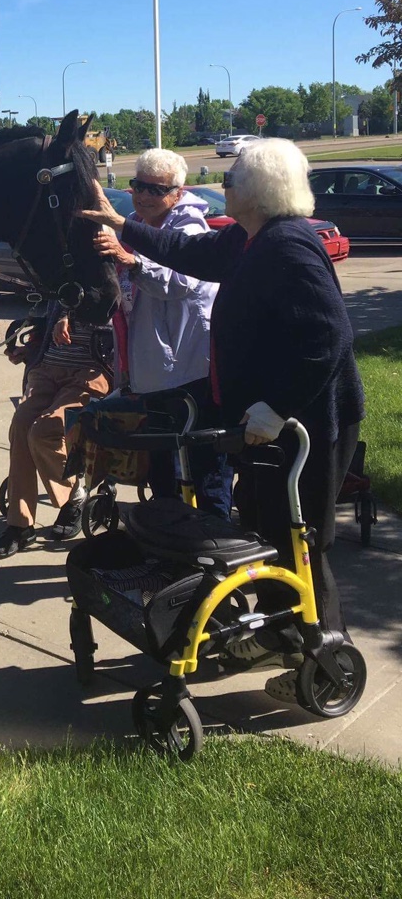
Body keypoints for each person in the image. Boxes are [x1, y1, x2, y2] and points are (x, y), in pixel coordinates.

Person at [80, 138, 364, 702]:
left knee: (302, 540)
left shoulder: (289, 246)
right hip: (271, 425)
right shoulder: (250, 237)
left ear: (257, 191)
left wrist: (277, 407)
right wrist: (123, 224)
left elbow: (328, 335)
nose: (225, 185)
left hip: (307, 423)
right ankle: (284, 636)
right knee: (269, 528)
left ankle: (330, 659)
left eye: (233, 178)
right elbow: (191, 254)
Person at [99, 148, 230, 517]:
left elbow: (181, 281)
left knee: (204, 472)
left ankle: (213, 549)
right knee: (162, 473)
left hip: (190, 372)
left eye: (155, 190)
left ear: (177, 192)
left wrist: (132, 262)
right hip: (150, 373)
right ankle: (169, 549)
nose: (143, 196)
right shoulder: (136, 226)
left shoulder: (188, 227)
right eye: (138, 185)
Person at [0, 302, 110, 559]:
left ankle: (74, 494)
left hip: (89, 372)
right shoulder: (64, 281)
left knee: (43, 431)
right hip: (47, 369)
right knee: (21, 426)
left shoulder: (113, 281)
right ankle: (20, 525)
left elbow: (117, 319)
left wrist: (70, 315)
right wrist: (28, 349)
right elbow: (42, 320)